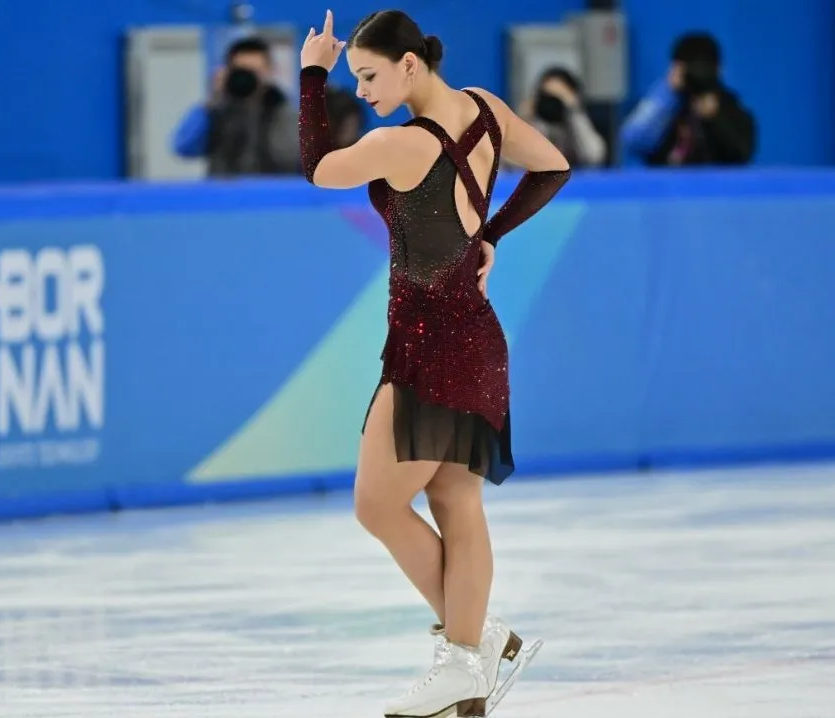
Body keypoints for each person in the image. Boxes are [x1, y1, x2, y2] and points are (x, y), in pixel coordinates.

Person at [297, 9, 570, 718]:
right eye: (353, 79)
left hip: (431, 347)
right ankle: (471, 648)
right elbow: (552, 165)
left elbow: (318, 168)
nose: (361, 91)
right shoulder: (485, 109)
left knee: (376, 503)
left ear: (410, 65)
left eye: (368, 76)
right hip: (474, 338)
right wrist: (491, 235)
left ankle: (467, 647)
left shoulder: (400, 144)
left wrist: (311, 76)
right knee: (455, 501)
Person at [619, 31, 756, 166]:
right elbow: (631, 140)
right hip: (668, 180)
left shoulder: (730, 107)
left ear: (718, 69)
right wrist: (666, 93)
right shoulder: (668, 105)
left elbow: (743, 153)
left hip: (716, 181)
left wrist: (715, 118)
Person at [171, 36, 302, 176]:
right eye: (243, 71)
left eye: (257, 72)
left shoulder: (285, 112)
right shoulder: (217, 112)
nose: (250, 78)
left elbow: (293, 157)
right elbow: (183, 146)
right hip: (224, 189)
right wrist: (212, 100)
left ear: (271, 71)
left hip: (272, 189)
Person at [520, 66, 606, 168]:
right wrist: (522, 121)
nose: (552, 104)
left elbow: (595, 156)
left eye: (557, 98)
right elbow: (514, 163)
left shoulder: (577, 120)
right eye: (548, 97)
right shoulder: (536, 123)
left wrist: (574, 110)